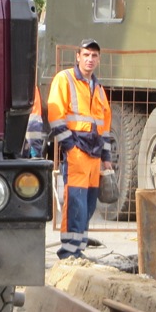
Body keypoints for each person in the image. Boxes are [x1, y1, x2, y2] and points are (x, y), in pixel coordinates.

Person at [46, 38, 113, 260]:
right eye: (86, 55)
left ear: (99, 59)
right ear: (78, 56)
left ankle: (78, 249)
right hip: (77, 152)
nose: (90, 59)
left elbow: (104, 126)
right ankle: (69, 252)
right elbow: (55, 116)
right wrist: (70, 147)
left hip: (93, 155)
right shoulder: (65, 80)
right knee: (75, 203)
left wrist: (106, 156)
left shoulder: (99, 89)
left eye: (94, 55)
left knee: (88, 205)